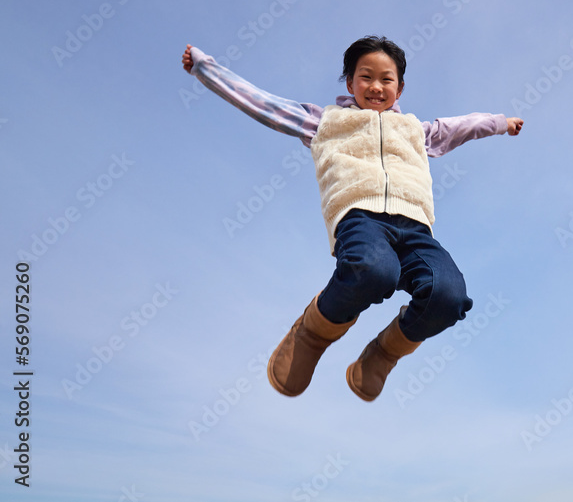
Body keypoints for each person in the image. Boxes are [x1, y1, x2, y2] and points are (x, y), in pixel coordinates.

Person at [181, 36, 523, 401]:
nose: (376, 86)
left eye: (386, 79)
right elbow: (263, 104)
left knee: (450, 296)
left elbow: (462, 126)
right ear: (350, 83)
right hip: (361, 218)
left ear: (400, 87)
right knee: (375, 270)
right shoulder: (326, 121)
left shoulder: (415, 131)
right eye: (366, 77)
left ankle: (385, 352)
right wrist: (206, 68)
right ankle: (313, 334)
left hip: (415, 227)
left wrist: (500, 122)